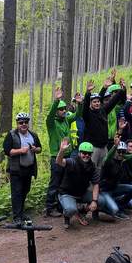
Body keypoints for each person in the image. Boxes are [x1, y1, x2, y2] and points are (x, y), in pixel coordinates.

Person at [44, 88, 81, 217]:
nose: (64, 111)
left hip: (67, 156)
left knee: (63, 183)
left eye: (65, 108)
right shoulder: (51, 123)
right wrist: (56, 101)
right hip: (56, 157)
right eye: (61, 109)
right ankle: (50, 207)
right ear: (56, 111)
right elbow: (50, 115)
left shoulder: (66, 119)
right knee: (54, 182)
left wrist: (79, 104)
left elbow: (77, 115)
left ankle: (60, 206)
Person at [3, 112, 43, 223]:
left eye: (26, 122)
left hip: (28, 168)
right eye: (21, 123)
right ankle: (16, 218)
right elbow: (7, 151)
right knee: (16, 193)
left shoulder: (33, 135)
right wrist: (21, 151)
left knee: (25, 191)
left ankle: (21, 213)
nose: (23, 124)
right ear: (17, 124)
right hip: (16, 169)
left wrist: (35, 149)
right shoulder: (11, 135)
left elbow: (40, 148)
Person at [82, 78, 125, 172]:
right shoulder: (87, 114)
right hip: (93, 148)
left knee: (103, 170)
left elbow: (113, 101)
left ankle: (100, 186)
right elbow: (85, 106)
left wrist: (122, 90)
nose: (97, 103)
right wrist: (88, 92)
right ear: (90, 104)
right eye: (94, 102)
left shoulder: (103, 111)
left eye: (98, 101)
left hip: (104, 148)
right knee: (91, 170)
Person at [56, 140, 99, 229]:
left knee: (100, 200)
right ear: (79, 153)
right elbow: (59, 162)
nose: (86, 155)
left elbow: (96, 184)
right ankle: (67, 216)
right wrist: (62, 151)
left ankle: (82, 212)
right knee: (71, 209)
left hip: (81, 193)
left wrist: (94, 201)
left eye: (89, 153)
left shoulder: (92, 166)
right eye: (84, 153)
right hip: (67, 193)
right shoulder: (72, 162)